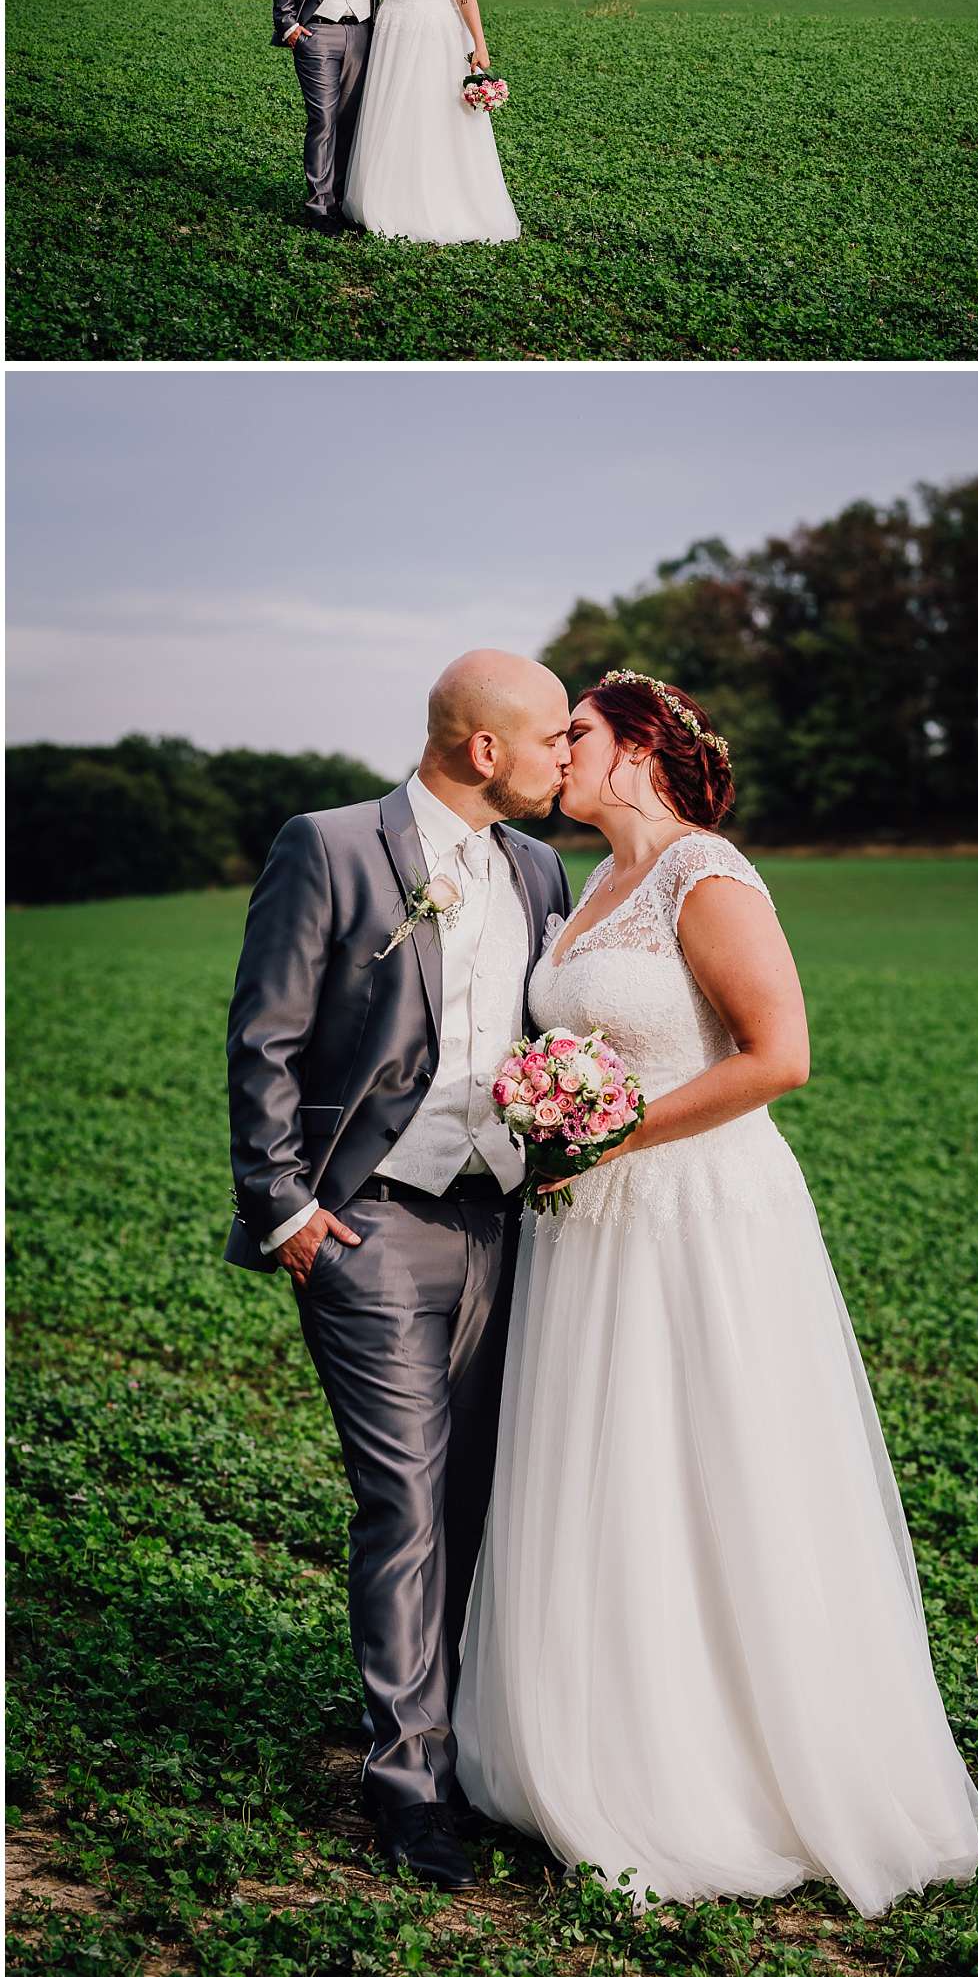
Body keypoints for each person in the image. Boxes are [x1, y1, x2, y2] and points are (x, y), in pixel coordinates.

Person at [453, 671, 978, 1920]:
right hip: (589, 1230)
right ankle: (594, 1739)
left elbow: (779, 1055)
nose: (555, 751)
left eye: (574, 732)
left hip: (697, 1214)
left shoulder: (709, 873)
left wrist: (613, 1133)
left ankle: (737, 1768)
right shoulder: (590, 886)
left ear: (638, 744)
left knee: (711, 1464)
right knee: (603, 1470)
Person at [224, 652, 572, 1891]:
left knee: (481, 1489)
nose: (565, 762)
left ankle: (476, 1744)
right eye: (549, 741)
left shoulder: (537, 864)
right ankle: (410, 1786)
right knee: (408, 1501)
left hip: (504, 1219)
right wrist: (289, 1210)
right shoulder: (330, 845)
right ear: (483, 747)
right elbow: (264, 1032)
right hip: (366, 1221)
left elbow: (539, 1035)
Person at [341, 0, 520, 244]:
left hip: (433, 30)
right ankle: (383, 198)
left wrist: (479, 44)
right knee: (390, 110)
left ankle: (432, 204)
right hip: (392, 27)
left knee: (428, 113)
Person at [270, 0, 394, 234]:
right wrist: (289, 24)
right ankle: (319, 209)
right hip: (317, 32)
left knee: (349, 119)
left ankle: (340, 203)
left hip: (362, 31)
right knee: (322, 118)